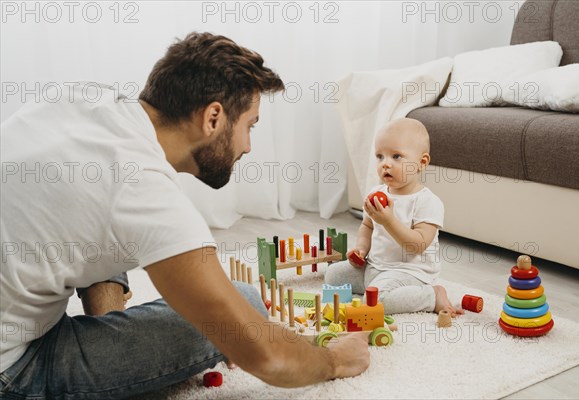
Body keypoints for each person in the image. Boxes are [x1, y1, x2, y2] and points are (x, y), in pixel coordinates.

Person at [0, 32, 370, 399]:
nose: (248, 146)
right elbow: (268, 357)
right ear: (213, 118)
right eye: (249, 126)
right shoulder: (148, 195)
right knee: (247, 303)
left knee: (94, 202)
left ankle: (104, 323)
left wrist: (110, 330)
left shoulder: (83, 100)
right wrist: (334, 359)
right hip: (14, 368)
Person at [325, 118, 464, 317]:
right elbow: (367, 226)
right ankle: (379, 287)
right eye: (380, 156)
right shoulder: (376, 192)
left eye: (396, 156)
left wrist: (389, 221)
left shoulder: (427, 202)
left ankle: (432, 295)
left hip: (409, 272)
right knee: (332, 276)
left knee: (376, 302)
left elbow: (417, 246)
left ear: (421, 163)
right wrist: (361, 249)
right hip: (374, 266)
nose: (386, 164)